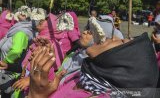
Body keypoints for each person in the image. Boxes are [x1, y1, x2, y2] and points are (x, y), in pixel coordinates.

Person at [27, 17, 158, 98]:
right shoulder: (85, 78)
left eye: (122, 42)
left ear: (124, 61)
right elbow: (54, 91)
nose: (114, 38)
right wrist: (44, 71)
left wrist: (35, 95)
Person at [0, 6, 34, 98]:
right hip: (7, 71)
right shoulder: (16, 29)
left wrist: (5, 62)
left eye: (21, 12)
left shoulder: (21, 32)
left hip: (11, 74)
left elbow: (16, 51)